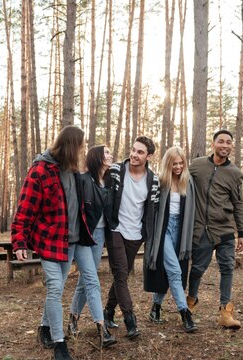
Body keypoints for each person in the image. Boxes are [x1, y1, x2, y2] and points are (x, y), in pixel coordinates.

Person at [11, 125, 98, 360]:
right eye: (82, 145)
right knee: (55, 289)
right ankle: (60, 344)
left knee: (56, 290)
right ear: (72, 146)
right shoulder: (40, 170)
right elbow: (24, 210)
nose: (84, 150)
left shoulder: (73, 170)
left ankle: (45, 327)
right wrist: (19, 242)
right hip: (49, 241)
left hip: (70, 242)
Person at [187, 129, 243, 329]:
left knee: (227, 268)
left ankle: (225, 312)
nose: (225, 145)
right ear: (213, 144)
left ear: (232, 146)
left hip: (224, 230)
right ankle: (190, 303)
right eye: (221, 141)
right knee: (197, 269)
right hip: (201, 229)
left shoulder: (235, 173)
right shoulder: (197, 166)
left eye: (228, 142)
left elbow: (237, 203)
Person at [103, 136, 159, 339]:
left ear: (149, 156)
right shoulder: (117, 170)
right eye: (133, 150)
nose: (134, 154)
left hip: (136, 234)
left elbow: (152, 209)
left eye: (140, 152)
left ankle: (108, 312)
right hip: (116, 228)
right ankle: (130, 320)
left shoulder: (153, 180)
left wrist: (147, 233)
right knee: (120, 275)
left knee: (122, 274)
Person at [67, 145, 117, 348]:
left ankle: (72, 320)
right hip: (82, 236)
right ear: (96, 157)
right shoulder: (82, 179)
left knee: (85, 281)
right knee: (92, 280)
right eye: (106, 152)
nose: (110, 155)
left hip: (98, 236)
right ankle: (102, 329)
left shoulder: (109, 181)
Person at [143, 146, 197, 333]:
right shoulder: (160, 182)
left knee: (168, 271)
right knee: (174, 271)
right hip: (162, 230)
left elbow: (191, 212)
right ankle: (185, 313)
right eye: (174, 163)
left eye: (181, 163)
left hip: (180, 231)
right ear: (168, 163)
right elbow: (151, 209)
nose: (178, 166)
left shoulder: (187, 182)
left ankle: (155, 308)